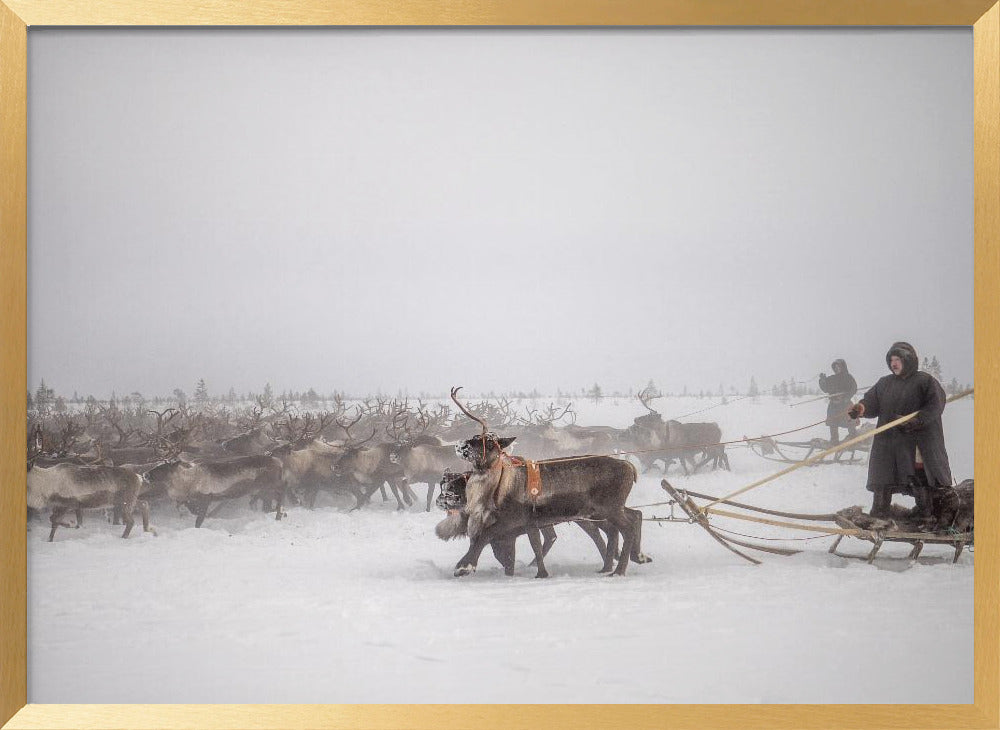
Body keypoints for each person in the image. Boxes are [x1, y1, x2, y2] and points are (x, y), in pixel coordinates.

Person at [847, 341, 953, 523]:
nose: (893, 363)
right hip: (888, 440)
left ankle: (925, 512)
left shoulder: (925, 381)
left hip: (917, 439)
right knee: (882, 471)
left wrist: (917, 420)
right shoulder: (884, 383)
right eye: (891, 360)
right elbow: (871, 402)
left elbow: (935, 406)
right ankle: (880, 510)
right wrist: (861, 408)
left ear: (908, 360)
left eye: (898, 359)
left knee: (919, 474)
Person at [818, 359, 857, 445]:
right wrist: (822, 380)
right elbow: (825, 388)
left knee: (850, 421)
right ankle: (834, 441)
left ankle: (853, 438)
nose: (837, 368)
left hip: (846, 404)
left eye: (839, 366)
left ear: (843, 367)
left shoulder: (848, 377)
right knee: (833, 423)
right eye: (835, 367)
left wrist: (846, 398)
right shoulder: (832, 378)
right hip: (834, 405)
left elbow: (854, 388)